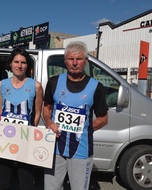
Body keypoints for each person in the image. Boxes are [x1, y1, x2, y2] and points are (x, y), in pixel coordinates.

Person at [43, 41, 108, 190]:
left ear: (86, 61)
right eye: (70, 59)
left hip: (81, 151)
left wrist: (84, 128)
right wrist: (49, 122)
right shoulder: (54, 82)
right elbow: (46, 108)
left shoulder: (96, 87)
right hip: (55, 149)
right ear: (65, 61)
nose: (74, 63)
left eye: (78, 59)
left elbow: (103, 119)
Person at [0, 47, 43, 190]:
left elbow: (37, 113)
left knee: (26, 182)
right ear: (10, 63)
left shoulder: (36, 86)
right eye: (16, 62)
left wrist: (29, 131)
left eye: (23, 62)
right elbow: (0, 110)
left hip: (25, 139)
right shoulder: (1, 84)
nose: (19, 65)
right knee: (4, 182)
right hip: (5, 139)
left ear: (27, 65)